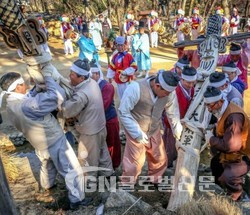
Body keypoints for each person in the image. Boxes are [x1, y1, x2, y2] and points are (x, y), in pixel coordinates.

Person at [0, 72, 92, 210]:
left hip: (37, 142)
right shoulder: (28, 105)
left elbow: (27, 100)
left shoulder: (10, 105)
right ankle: (77, 200)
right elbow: (57, 96)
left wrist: (35, 90)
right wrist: (48, 77)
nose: (26, 85)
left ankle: (47, 187)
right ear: (18, 87)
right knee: (71, 169)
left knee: (46, 164)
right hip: (53, 139)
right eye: (23, 83)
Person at [118, 70, 183, 185]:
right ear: (157, 86)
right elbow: (123, 112)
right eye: (166, 93)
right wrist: (136, 132)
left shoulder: (169, 92)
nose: (168, 95)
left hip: (154, 128)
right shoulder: (135, 88)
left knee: (159, 157)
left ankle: (155, 180)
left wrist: (178, 133)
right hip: (136, 128)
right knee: (135, 162)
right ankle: (126, 184)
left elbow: (173, 113)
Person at [61, 59, 113, 177]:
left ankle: (90, 187)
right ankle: (108, 175)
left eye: (72, 75)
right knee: (102, 153)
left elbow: (67, 111)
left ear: (81, 78)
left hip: (90, 133)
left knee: (87, 161)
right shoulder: (92, 82)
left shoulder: (81, 95)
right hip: (100, 127)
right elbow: (72, 85)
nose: (69, 76)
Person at [204, 86, 250, 201]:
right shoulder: (224, 109)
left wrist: (211, 139)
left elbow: (231, 146)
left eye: (211, 105)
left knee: (228, 176)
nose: (209, 109)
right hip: (233, 152)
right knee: (215, 164)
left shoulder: (234, 117)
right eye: (207, 105)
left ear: (221, 101)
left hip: (243, 155)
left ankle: (239, 197)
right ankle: (220, 190)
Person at [163, 66, 197, 168]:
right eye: (188, 82)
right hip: (172, 124)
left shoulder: (191, 89)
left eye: (193, 82)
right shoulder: (175, 91)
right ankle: (166, 165)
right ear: (181, 79)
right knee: (170, 146)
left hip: (184, 122)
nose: (191, 85)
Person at [90, 61, 121, 169]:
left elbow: (103, 105)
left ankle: (112, 166)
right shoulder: (92, 85)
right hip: (99, 120)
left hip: (109, 120)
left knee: (111, 144)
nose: (89, 77)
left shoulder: (107, 87)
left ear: (97, 74)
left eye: (91, 75)